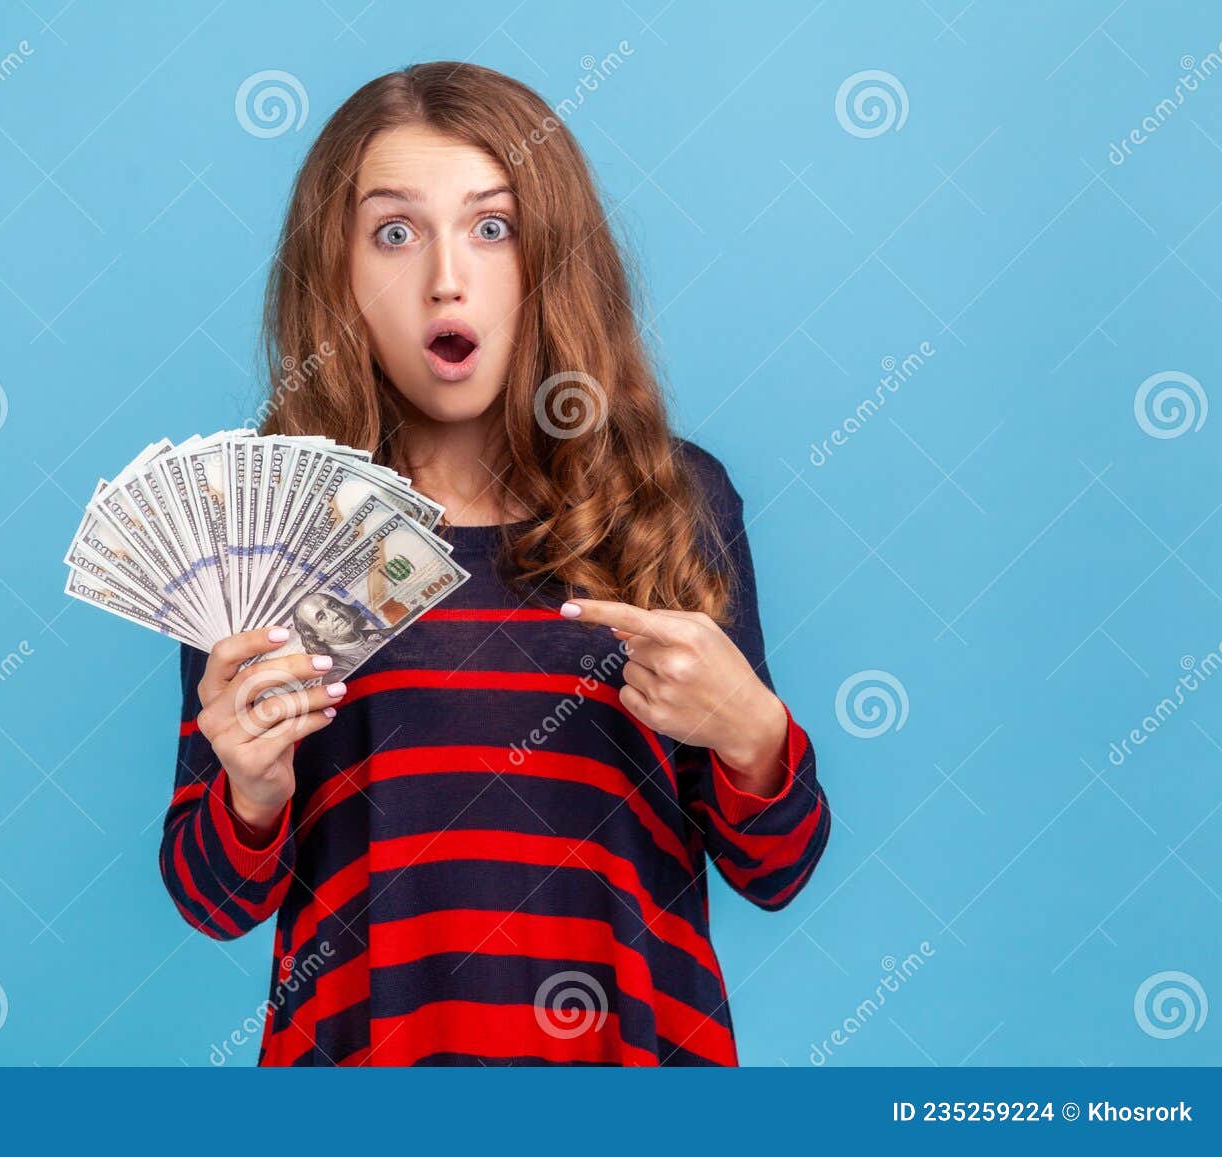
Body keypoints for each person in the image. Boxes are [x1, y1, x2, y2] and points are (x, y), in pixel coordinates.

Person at [158, 61, 830, 1066]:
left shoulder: (668, 504)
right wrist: (250, 789)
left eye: (491, 226)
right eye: (394, 231)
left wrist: (751, 734)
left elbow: (776, 868)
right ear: (335, 272)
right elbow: (211, 901)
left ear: (551, 258)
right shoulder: (262, 538)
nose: (444, 275)